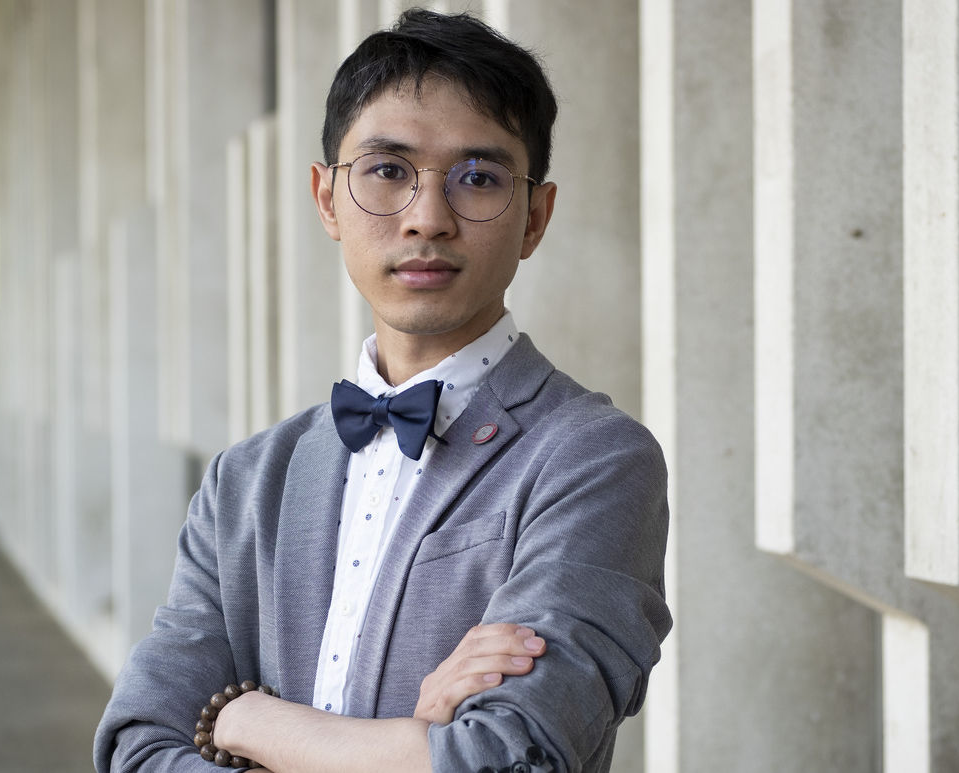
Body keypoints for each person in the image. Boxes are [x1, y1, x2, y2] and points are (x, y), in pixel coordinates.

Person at [93, 9, 670, 772]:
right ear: (327, 198)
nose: (428, 219)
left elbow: (503, 760)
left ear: (535, 217)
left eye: (478, 177)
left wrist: (242, 718)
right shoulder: (246, 480)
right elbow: (134, 745)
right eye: (388, 171)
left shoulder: (594, 460)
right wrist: (410, 741)